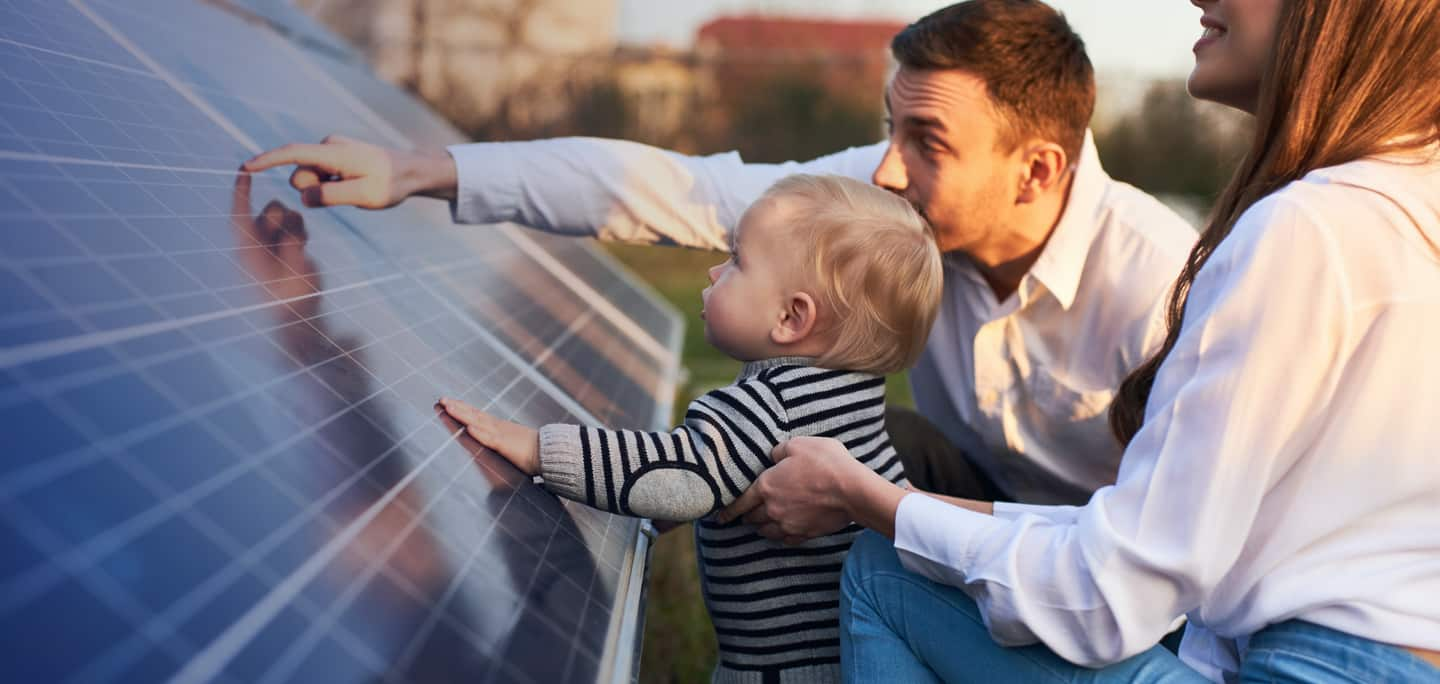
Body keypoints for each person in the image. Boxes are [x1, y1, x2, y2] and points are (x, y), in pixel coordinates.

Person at [715, 0, 1440, 681]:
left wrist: (871, 502)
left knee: (883, 573)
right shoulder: (1407, 203)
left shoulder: (1301, 232)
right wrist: (882, 497)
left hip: (1301, 662)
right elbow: (1158, 548)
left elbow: (1110, 598)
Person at [242, 0, 1198, 508]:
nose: (890, 174)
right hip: (973, 505)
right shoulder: (886, 198)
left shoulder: (1164, 289)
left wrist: (887, 514)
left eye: (929, 144)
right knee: (805, 443)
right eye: (889, 129)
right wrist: (422, 169)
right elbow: (677, 189)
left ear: (1036, 171)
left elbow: (1173, 549)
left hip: (1112, 573)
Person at [438, 174, 943, 681]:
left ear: (791, 318)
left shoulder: (768, 405)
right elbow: (726, 476)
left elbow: (680, 473)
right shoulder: (852, 396)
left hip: (783, 671)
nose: (715, 268)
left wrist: (537, 449)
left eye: (738, 261)